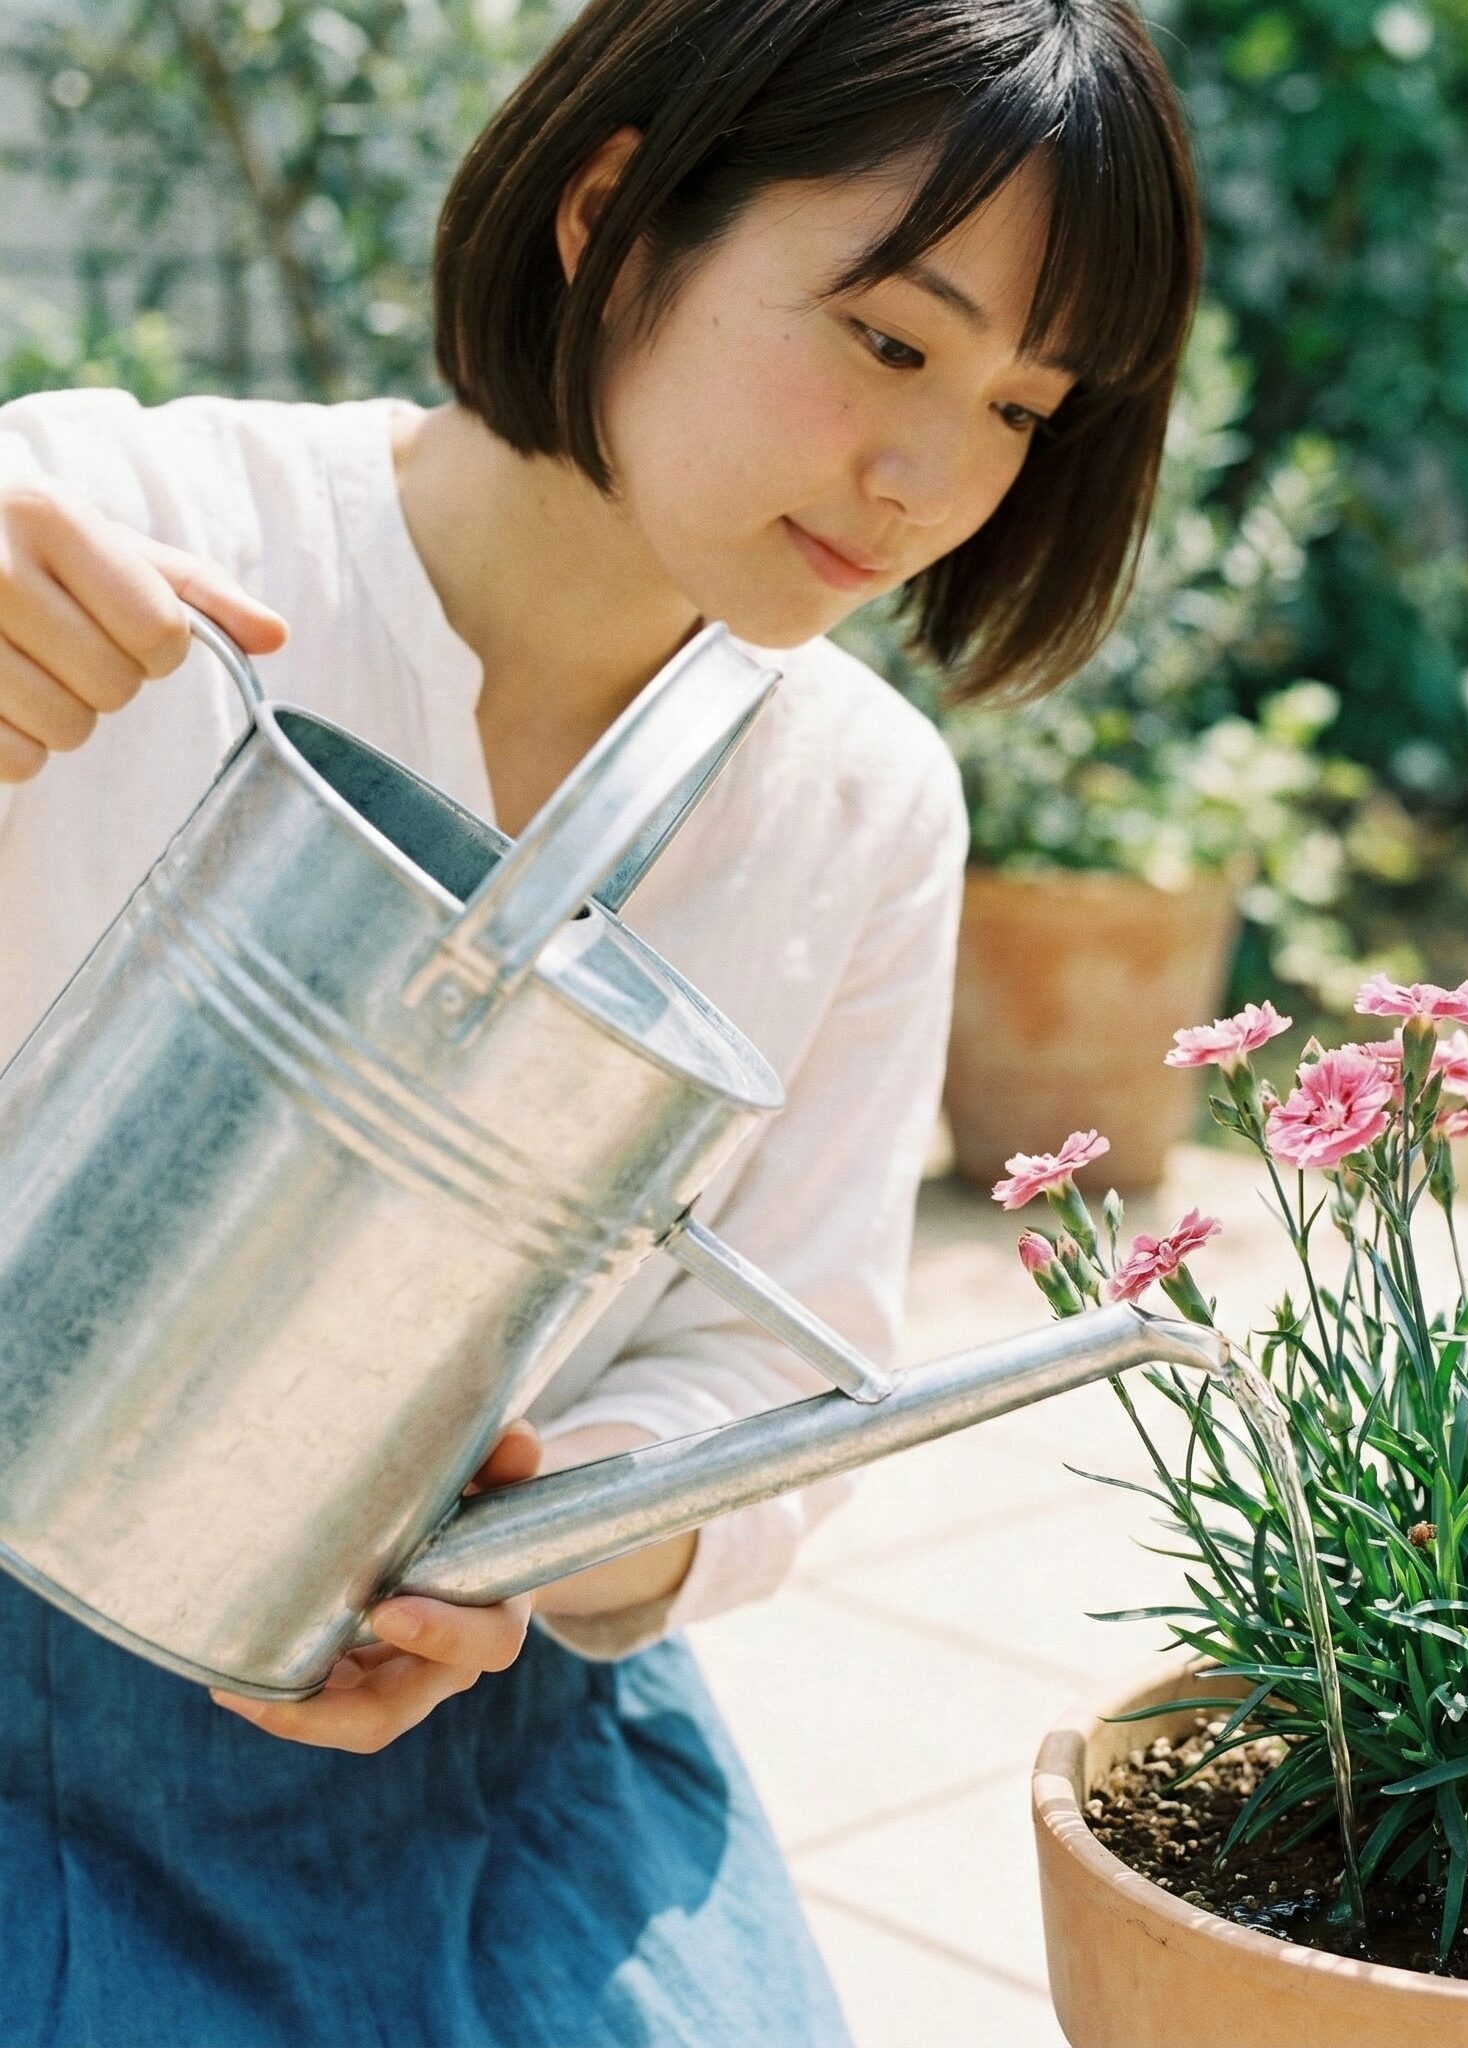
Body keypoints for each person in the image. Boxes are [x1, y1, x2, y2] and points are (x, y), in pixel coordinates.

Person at [0, 0, 1200, 2038]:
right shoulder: (120, 528)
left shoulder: (855, 796)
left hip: (493, 1759)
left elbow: (767, 1341)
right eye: (890, 340)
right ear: (615, 213)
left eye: (1023, 408)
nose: (929, 477)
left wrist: (551, 1547)